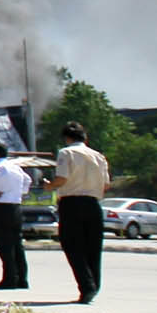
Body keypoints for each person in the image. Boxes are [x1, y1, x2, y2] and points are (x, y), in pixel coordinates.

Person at [46, 121, 111, 303]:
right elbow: (106, 184)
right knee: (93, 248)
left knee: (73, 246)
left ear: (67, 138)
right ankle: (94, 285)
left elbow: (61, 179)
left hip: (71, 202)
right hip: (93, 203)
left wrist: (48, 186)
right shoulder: (99, 156)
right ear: (85, 137)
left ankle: (86, 285)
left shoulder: (66, 153)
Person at [0, 142, 32, 289]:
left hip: (0, 207)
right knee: (17, 244)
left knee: (4, 244)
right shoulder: (15, 166)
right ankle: (22, 278)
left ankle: (9, 278)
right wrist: (21, 191)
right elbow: (27, 180)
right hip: (15, 206)